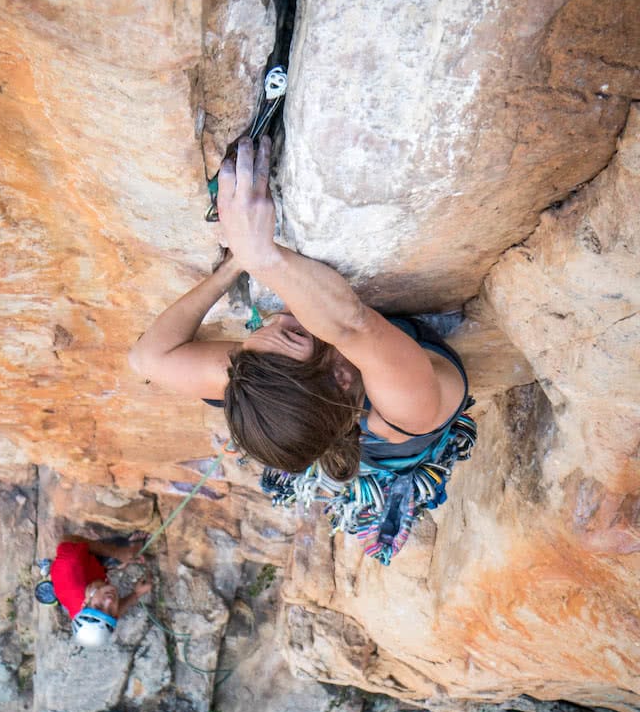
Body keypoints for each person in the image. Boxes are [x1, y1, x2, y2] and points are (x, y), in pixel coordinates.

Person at [128, 136, 474, 561]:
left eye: (251, 344)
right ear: (341, 375)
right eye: (297, 332)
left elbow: (147, 358)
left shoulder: (265, 373)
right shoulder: (406, 410)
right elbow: (353, 326)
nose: (282, 313)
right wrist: (261, 256)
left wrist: (232, 265)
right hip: (393, 447)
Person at [50, 535, 152, 648]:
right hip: (94, 573)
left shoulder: (71, 565)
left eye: (99, 606)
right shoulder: (95, 617)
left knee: (125, 547)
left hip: (81, 560)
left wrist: (116, 552)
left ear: (85, 603)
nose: (109, 601)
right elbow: (115, 613)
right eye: (110, 611)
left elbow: (66, 538)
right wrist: (136, 594)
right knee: (126, 555)